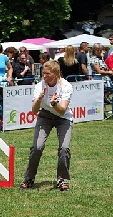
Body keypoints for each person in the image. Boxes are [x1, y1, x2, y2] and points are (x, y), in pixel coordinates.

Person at [20, 60, 74, 191]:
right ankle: (29, 179)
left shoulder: (66, 86)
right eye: (43, 73)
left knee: (64, 148)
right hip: (45, 116)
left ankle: (61, 180)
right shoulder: (39, 86)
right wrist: (39, 98)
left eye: (47, 74)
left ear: (56, 73)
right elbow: (33, 111)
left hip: (63, 118)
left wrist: (55, 103)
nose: (44, 76)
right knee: (37, 147)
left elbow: (62, 110)